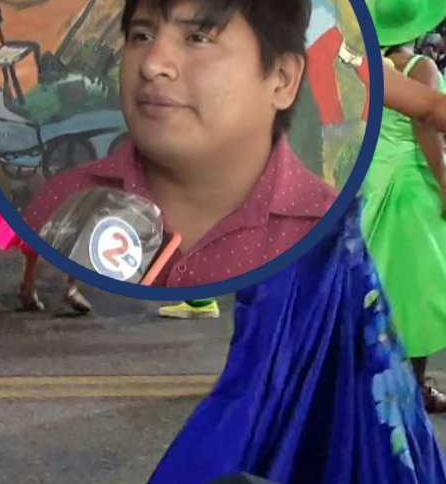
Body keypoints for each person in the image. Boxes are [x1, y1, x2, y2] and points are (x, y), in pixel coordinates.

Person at [145, 58, 446, 484]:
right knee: (283, 388)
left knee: (294, 388)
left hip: (318, 269)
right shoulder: (335, 61)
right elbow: (431, 109)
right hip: (304, 269)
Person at [0, 0, 336, 289]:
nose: (152, 64)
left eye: (197, 38)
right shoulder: (61, 201)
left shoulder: (333, 235)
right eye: (142, 35)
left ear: (282, 79)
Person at [361, 0, 446, 412]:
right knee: (418, 295)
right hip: (410, 187)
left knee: (374, 289)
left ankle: (370, 385)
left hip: (370, 182)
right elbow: (428, 129)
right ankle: (413, 388)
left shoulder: (370, 68)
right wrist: (445, 184)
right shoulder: (421, 69)